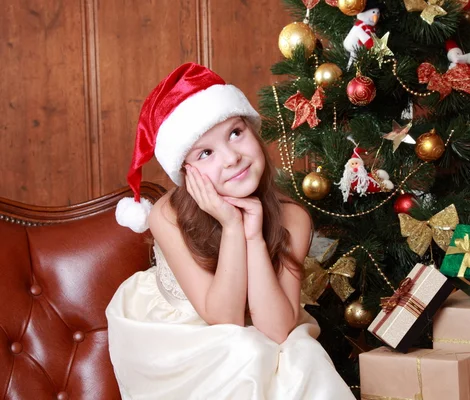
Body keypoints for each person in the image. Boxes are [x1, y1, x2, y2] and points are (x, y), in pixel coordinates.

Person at [105, 63, 355, 400]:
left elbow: (278, 329)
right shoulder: (168, 214)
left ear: (253, 130)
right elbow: (223, 318)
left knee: (303, 356)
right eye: (206, 153)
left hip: (260, 329)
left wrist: (253, 234)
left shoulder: (292, 217)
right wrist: (232, 225)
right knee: (244, 351)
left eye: (236, 133)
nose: (232, 158)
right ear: (186, 171)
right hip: (178, 336)